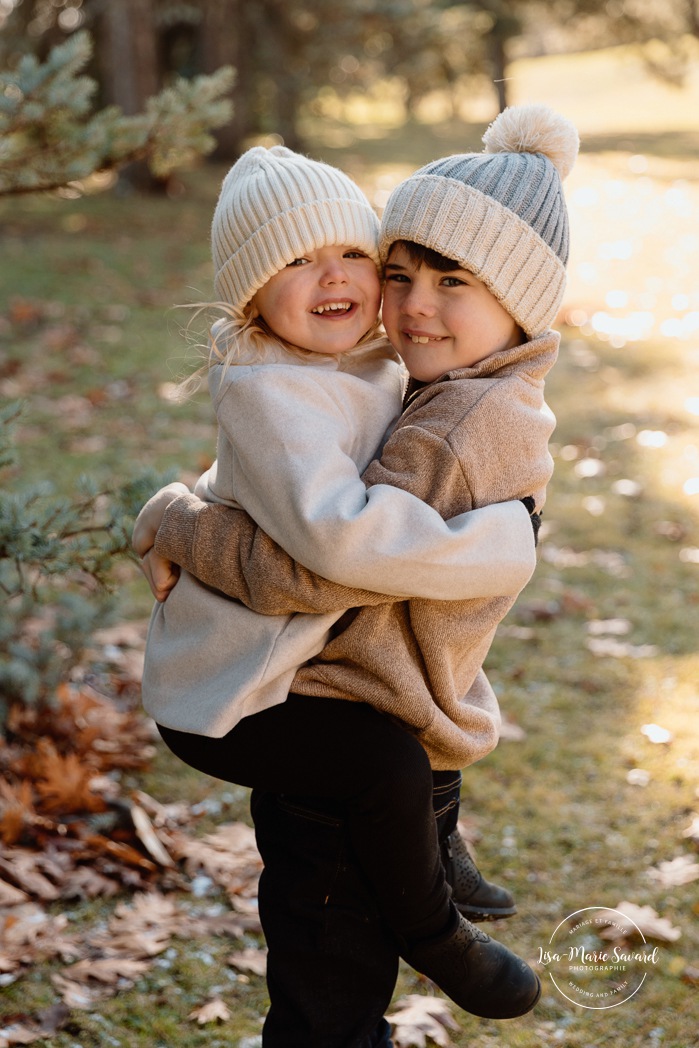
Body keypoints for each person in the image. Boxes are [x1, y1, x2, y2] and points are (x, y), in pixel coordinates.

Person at [133, 114, 580, 1044]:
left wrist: (181, 512)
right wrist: (503, 542)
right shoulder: (288, 386)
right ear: (253, 296)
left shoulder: (387, 373)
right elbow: (328, 553)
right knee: (373, 782)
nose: (348, 281)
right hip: (237, 690)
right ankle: (433, 934)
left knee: (359, 848)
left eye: (352, 252)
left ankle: (424, 869)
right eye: (404, 273)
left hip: (295, 670)